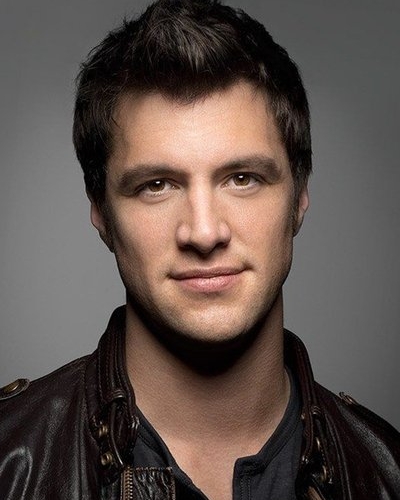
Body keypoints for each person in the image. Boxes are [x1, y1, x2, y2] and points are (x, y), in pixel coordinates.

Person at [1, 0, 399, 498]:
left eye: (242, 178)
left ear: (299, 197)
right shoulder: (11, 461)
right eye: (157, 185)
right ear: (101, 213)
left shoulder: (387, 472)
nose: (205, 233)